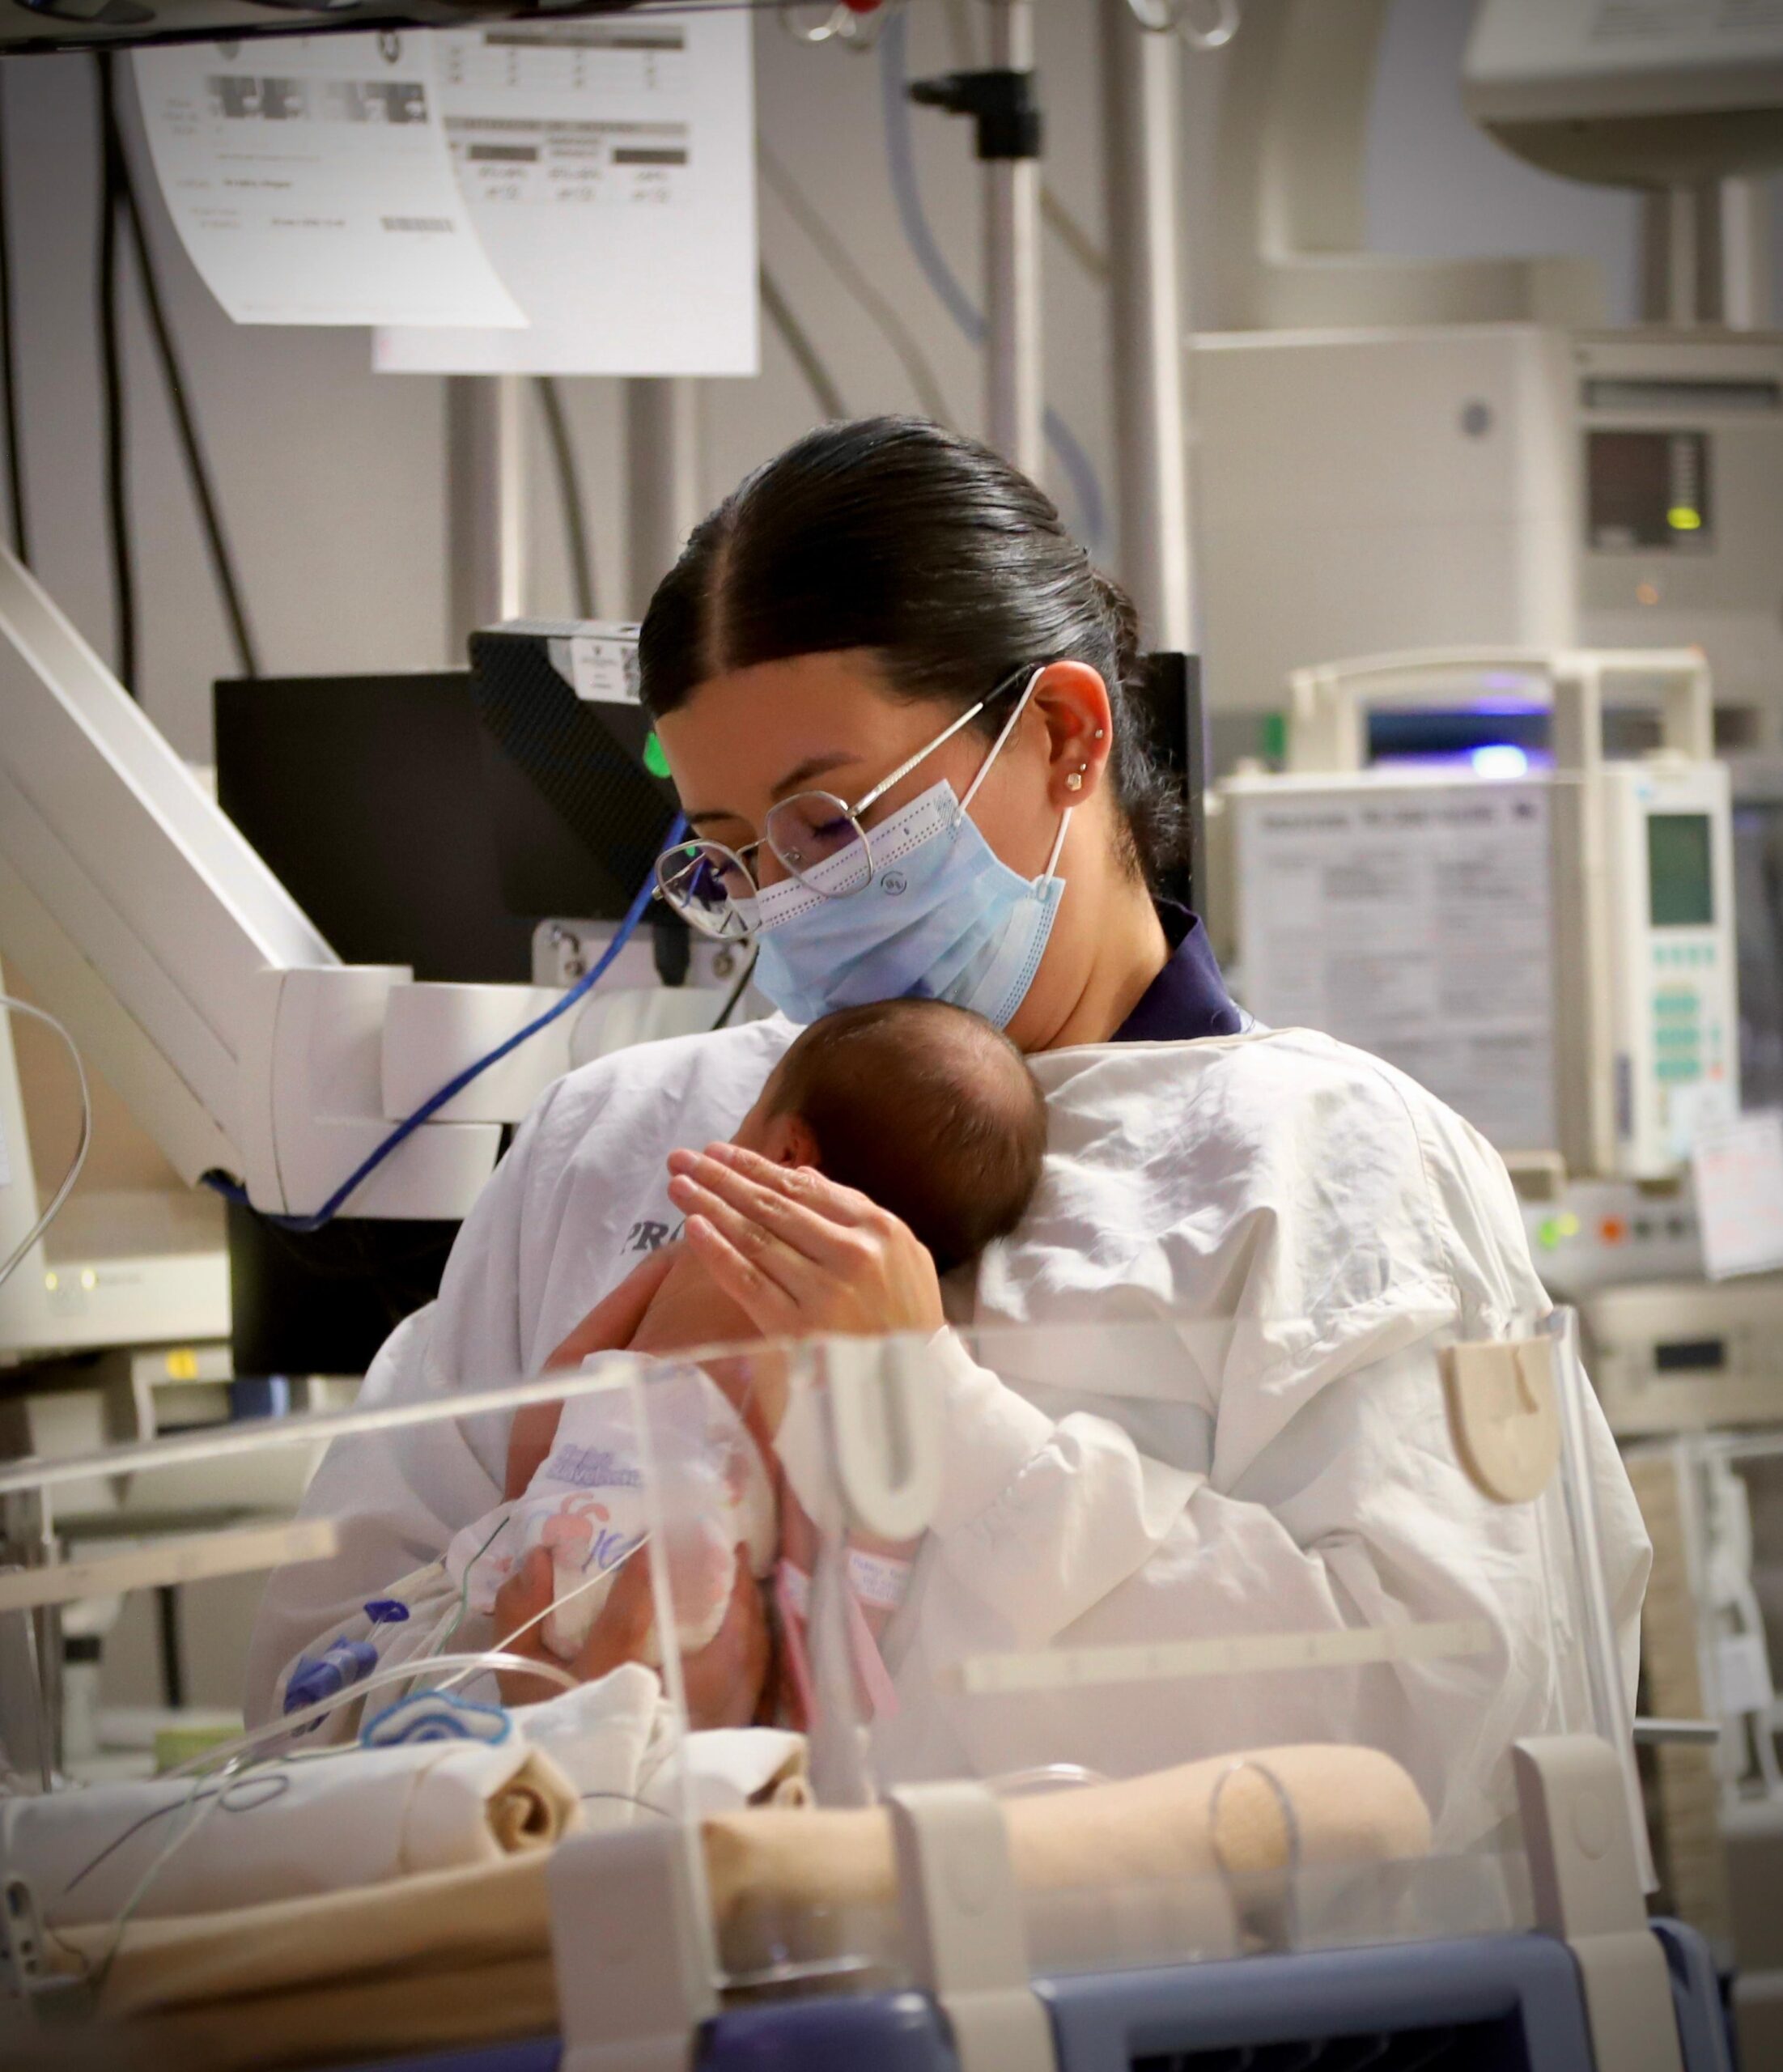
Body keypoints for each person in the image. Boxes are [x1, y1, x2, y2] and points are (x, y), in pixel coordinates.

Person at [249, 418, 1649, 1843]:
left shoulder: (1327, 1162)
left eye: (832, 825)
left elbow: (1434, 1729)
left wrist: (941, 1429)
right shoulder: (620, 1142)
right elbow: (312, 1690)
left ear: (1061, 734)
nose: (782, 903)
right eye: (727, 855)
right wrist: (534, 1577)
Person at [270, 996, 1046, 1727]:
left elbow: (575, 1369)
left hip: (561, 1542)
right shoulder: (860, 1339)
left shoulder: (695, 1252)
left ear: (784, 1151)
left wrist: (523, 1506)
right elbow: (833, 1522)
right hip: (704, 1593)